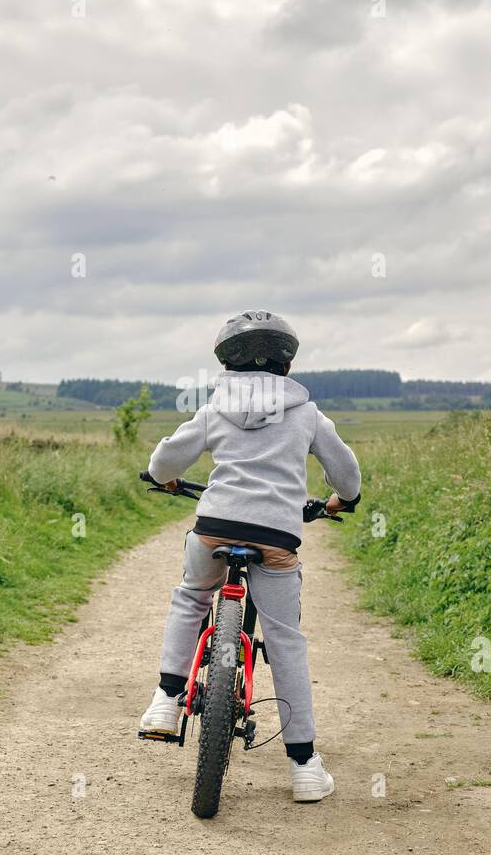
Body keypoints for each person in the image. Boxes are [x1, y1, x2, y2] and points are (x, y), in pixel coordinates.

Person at [138, 311, 362, 802]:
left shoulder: (216, 408)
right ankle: (304, 766)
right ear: (286, 364)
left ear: (228, 364)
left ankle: (167, 697)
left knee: (192, 594)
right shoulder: (306, 412)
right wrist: (341, 500)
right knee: (285, 640)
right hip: (277, 537)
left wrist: (164, 479)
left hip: (215, 525)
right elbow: (346, 471)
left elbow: (164, 462)